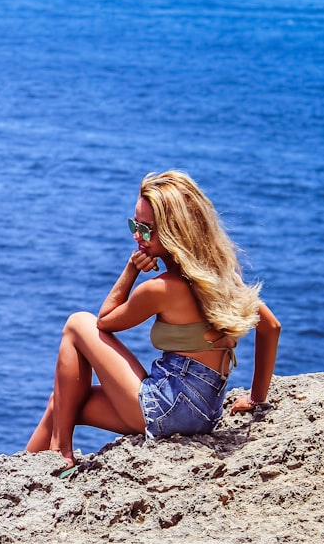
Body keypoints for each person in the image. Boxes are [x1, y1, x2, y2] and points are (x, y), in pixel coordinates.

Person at [26, 170, 281, 470]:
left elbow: (103, 322)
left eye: (147, 230)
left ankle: (61, 451)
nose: (137, 237)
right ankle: (23, 471)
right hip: (204, 412)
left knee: (76, 323)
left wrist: (131, 269)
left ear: (175, 232)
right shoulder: (223, 278)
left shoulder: (161, 288)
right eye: (135, 226)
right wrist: (256, 399)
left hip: (166, 407)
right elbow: (271, 328)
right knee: (64, 402)